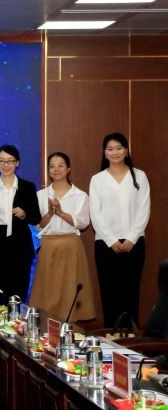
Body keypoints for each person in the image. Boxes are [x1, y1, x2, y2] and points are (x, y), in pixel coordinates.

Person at [89, 132, 150, 328]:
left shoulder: (139, 176)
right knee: (110, 294)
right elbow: (95, 214)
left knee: (131, 293)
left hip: (135, 244)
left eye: (119, 148)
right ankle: (111, 342)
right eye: (110, 149)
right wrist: (111, 240)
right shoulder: (97, 179)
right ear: (104, 152)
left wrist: (132, 238)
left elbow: (144, 209)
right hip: (106, 245)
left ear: (126, 150)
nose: (114, 152)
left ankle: (131, 343)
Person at [29, 152, 96, 322]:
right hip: (48, 246)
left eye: (60, 165)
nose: (56, 169)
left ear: (68, 169)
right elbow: (38, 224)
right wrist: (51, 214)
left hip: (71, 246)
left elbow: (82, 223)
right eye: (52, 166)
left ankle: (69, 329)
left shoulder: (80, 195)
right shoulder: (40, 195)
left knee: (70, 290)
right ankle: (46, 330)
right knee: (48, 291)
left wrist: (61, 212)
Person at [0, 144, 40, 303]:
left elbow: (36, 217)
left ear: (17, 163)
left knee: (19, 292)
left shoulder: (27, 187)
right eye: (2, 161)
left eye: (10, 161)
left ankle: (17, 325)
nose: (6, 165)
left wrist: (24, 214)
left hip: (20, 246)